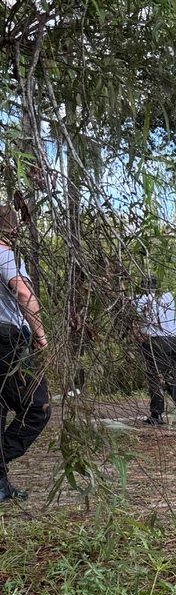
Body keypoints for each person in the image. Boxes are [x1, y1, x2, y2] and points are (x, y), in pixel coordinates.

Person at [0, 205, 51, 501]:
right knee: (37, 407)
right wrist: (40, 335)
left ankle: (1, 485)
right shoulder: (5, 254)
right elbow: (23, 294)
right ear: (14, 230)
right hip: (9, 339)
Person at [133, 276, 176, 425]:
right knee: (175, 376)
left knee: (155, 377)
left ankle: (156, 415)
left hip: (156, 342)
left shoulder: (142, 300)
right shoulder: (171, 296)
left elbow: (128, 307)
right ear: (157, 286)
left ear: (143, 287)